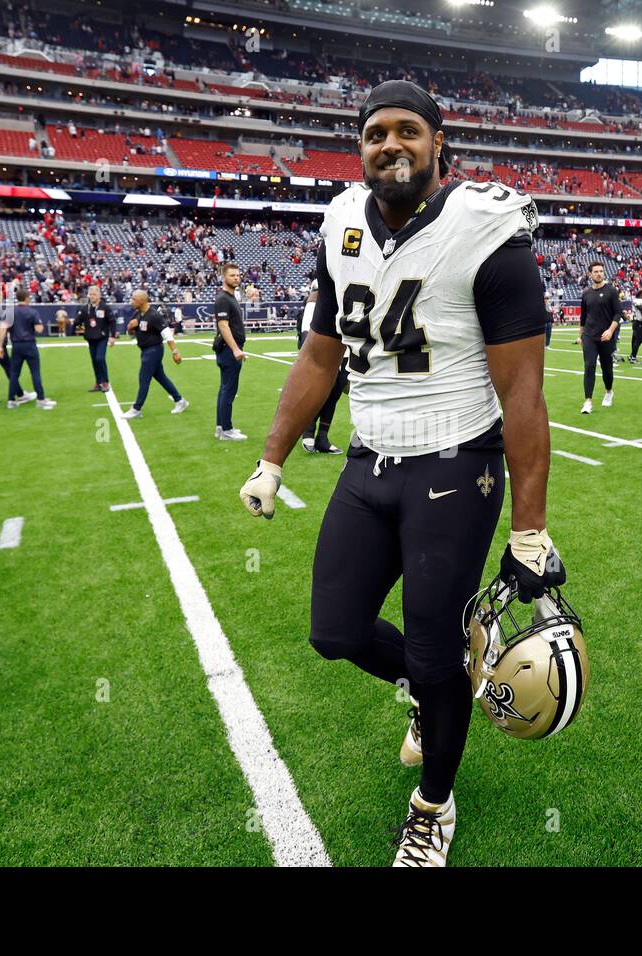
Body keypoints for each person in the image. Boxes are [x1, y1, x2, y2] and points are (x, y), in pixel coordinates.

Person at [237, 80, 565, 867]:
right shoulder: (340, 218)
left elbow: (522, 390)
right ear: (360, 148)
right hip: (367, 456)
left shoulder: (487, 225)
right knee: (335, 633)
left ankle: (433, 807)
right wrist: (272, 458)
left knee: (428, 650)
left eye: (408, 131)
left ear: (438, 140)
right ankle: (437, 683)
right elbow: (321, 353)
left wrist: (530, 528)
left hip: (455, 462)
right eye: (376, 133)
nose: (391, 145)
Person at [296, 277, 345, 454]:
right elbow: (307, 331)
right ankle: (308, 431)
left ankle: (322, 437)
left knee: (333, 396)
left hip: (344, 351)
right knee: (319, 393)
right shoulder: (316, 298)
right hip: (327, 353)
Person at [121, 290, 187, 419]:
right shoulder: (138, 313)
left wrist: (175, 352)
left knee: (144, 378)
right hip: (145, 350)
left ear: (142, 300)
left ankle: (136, 409)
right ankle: (180, 400)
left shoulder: (154, 315)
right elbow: (130, 335)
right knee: (160, 377)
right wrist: (130, 327)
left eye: (134, 299)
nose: (131, 301)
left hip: (154, 350)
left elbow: (167, 333)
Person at [575, 262, 622, 414]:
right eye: (595, 271)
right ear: (590, 274)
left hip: (606, 336)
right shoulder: (586, 293)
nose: (599, 274)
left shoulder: (611, 291)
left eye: (601, 271)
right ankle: (588, 401)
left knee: (607, 368)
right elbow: (583, 317)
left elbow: (618, 313)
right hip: (589, 335)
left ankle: (608, 391)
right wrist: (580, 335)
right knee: (589, 365)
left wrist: (610, 330)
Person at [0, 289, 55, 410]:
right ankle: (40, 398)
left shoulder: (10, 312)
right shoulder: (32, 312)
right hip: (29, 344)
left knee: (14, 374)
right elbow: (39, 329)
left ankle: (11, 400)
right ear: (27, 298)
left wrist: (0, 346)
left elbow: (2, 329)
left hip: (16, 346)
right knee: (35, 372)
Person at [212, 262, 247, 441]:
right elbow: (223, 326)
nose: (236, 278)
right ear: (224, 277)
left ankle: (221, 427)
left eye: (237, 275)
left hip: (229, 350)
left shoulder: (231, 297)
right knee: (229, 390)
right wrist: (235, 349)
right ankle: (227, 429)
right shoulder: (223, 298)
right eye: (232, 275)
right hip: (229, 350)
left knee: (224, 389)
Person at [74, 285, 116, 392]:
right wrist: (77, 325)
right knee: (94, 361)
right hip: (90, 338)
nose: (92, 296)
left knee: (100, 358)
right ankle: (98, 382)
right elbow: (77, 321)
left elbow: (112, 322)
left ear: (99, 295)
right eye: (90, 294)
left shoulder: (105, 307)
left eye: (94, 294)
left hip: (102, 337)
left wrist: (112, 336)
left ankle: (105, 382)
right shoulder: (85, 308)